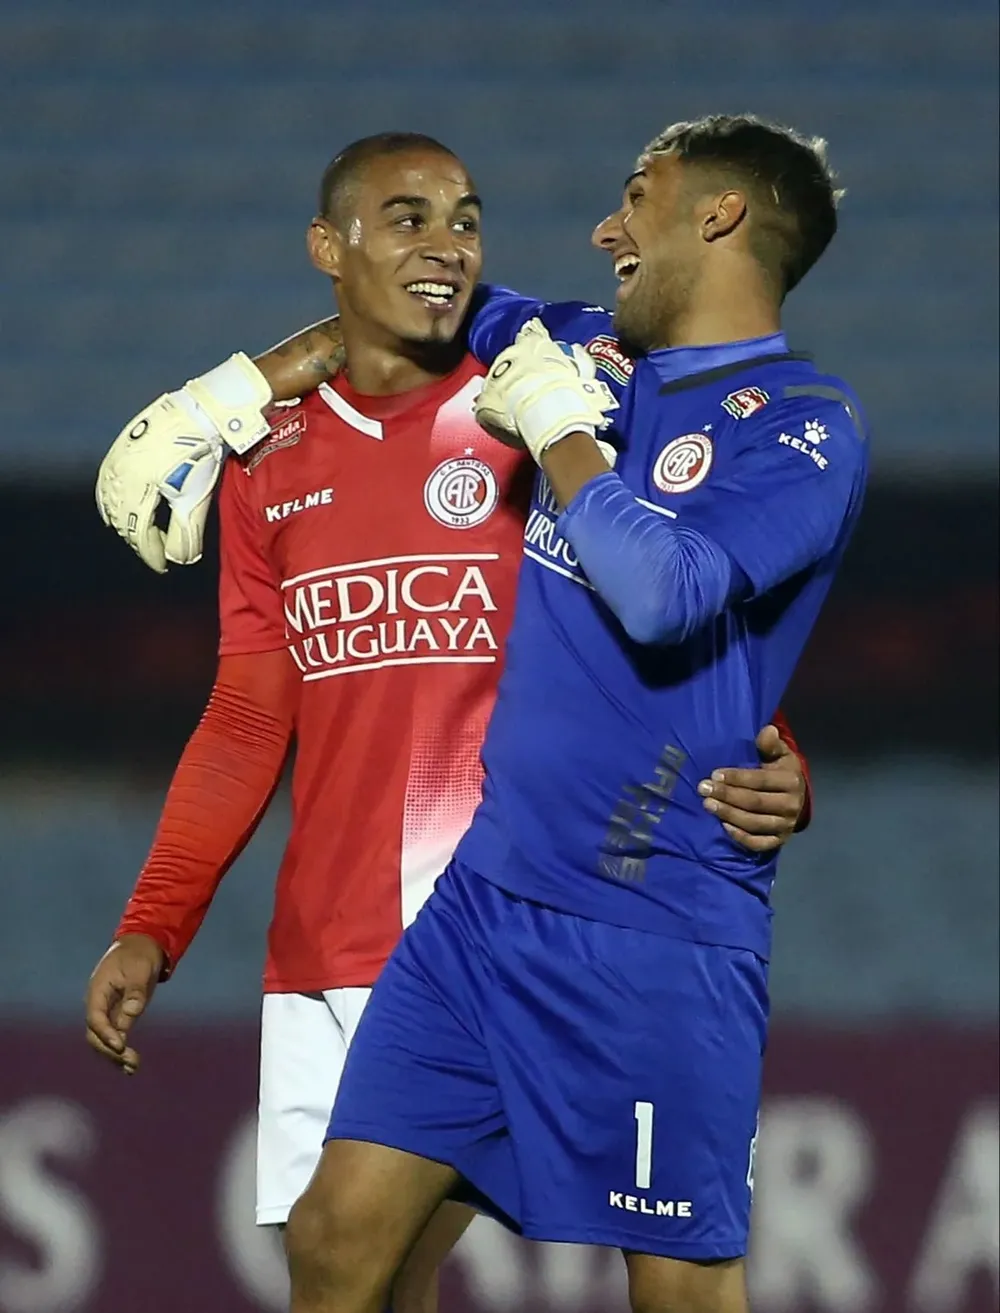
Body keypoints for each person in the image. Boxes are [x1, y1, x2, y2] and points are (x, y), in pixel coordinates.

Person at [85, 130, 812, 1313]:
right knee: (345, 1272)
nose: (448, 243)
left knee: (440, 1260)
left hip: (515, 912)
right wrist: (154, 920)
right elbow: (245, 712)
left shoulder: (543, 410)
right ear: (331, 245)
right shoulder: (268, 465)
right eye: (410, 216)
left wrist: (780, 758)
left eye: (466, 217)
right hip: (330, 937)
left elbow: (670, 604)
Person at [274, 114, 868, 1313]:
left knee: (679, 1289)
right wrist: (230, 392)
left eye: (637, 195)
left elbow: (667, 597)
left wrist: (560, 439)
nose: (607, 227)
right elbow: (418, 303)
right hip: (486, 906)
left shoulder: (805, 427)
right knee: (337, 1236)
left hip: (652, 924)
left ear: (719, 215)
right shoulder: (584, 348)